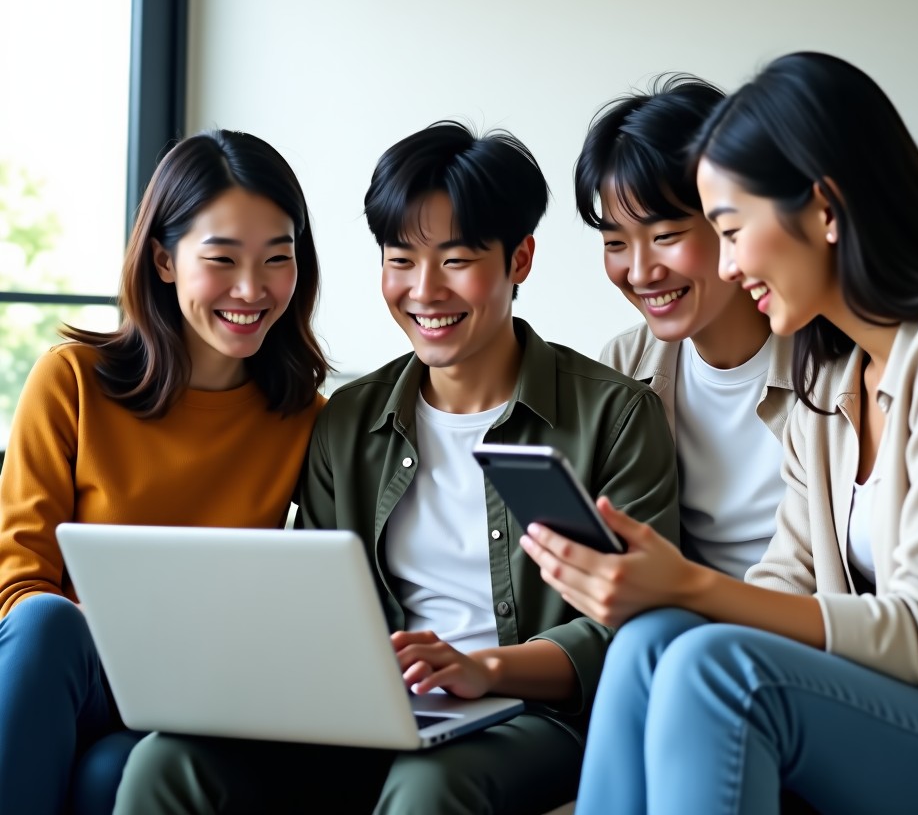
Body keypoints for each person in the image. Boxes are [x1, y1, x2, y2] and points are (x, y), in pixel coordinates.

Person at [112, 120, 679, 815]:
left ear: (519, 260)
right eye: (401, 259)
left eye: (457, 259)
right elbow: (316, 603)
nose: (425, 290)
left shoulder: (614, 417)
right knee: (169, 762)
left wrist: (483, 669)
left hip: (533, 717)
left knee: (430, 787)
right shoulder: (349, 421)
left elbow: (629, 623)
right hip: (371, 712)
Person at [522, 51, 918, 813]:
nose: (726, 265)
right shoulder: (831, 372)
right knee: (650, 644)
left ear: (824, 208)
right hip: (899, 704)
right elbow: (785, 581)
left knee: (717, 667)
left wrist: (688, 583)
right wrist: (659, 600)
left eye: (728, 230)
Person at [0, 130, 329, 815]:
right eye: (222, 259)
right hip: (71, 671)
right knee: (47, 623)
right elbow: (18, 580)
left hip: (196, 697)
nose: (252, 288)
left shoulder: (306, 417)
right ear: (164, 259)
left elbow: (315, 598)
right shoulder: (72, 381)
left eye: (277, 258)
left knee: (110, 780)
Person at [573, 75, 793, 605]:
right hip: (683, 630)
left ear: (732, 219)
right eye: (615, 243)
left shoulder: (832, 362)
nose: (641, 271)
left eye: (665, 236)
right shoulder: (626, 364)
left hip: (807, 636)